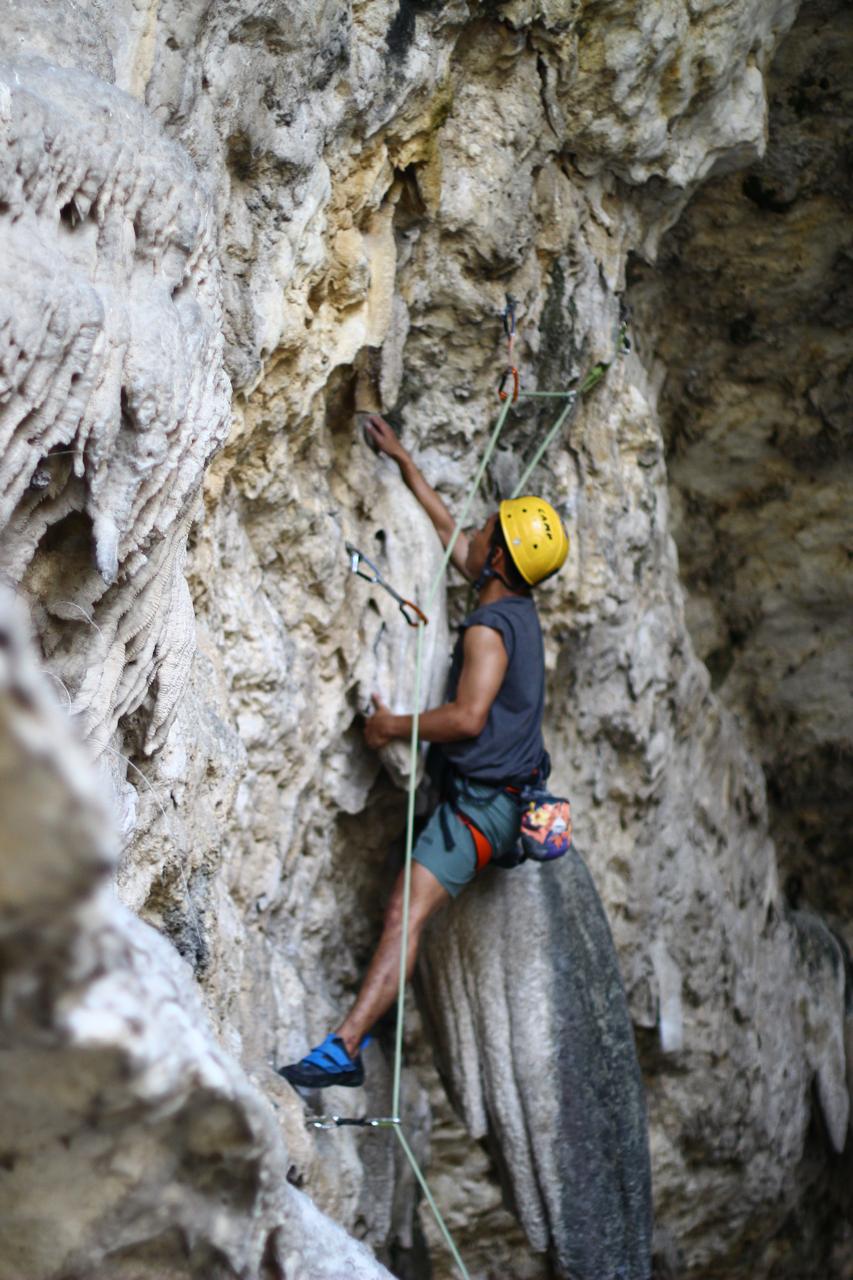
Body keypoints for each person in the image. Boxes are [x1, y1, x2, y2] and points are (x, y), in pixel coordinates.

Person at [278, 415, 569, 1089]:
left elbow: (467, 718)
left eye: (491, 531)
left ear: (500, 558)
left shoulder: (489, 632)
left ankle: (344, 1049)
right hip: (500, 794)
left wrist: (390, 726)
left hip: (484, 810)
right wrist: (402, 459)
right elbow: (451, 538)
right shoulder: (509, 593)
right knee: (401, 912)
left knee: (402, 914)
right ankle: (353, 1039)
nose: (479, 530)